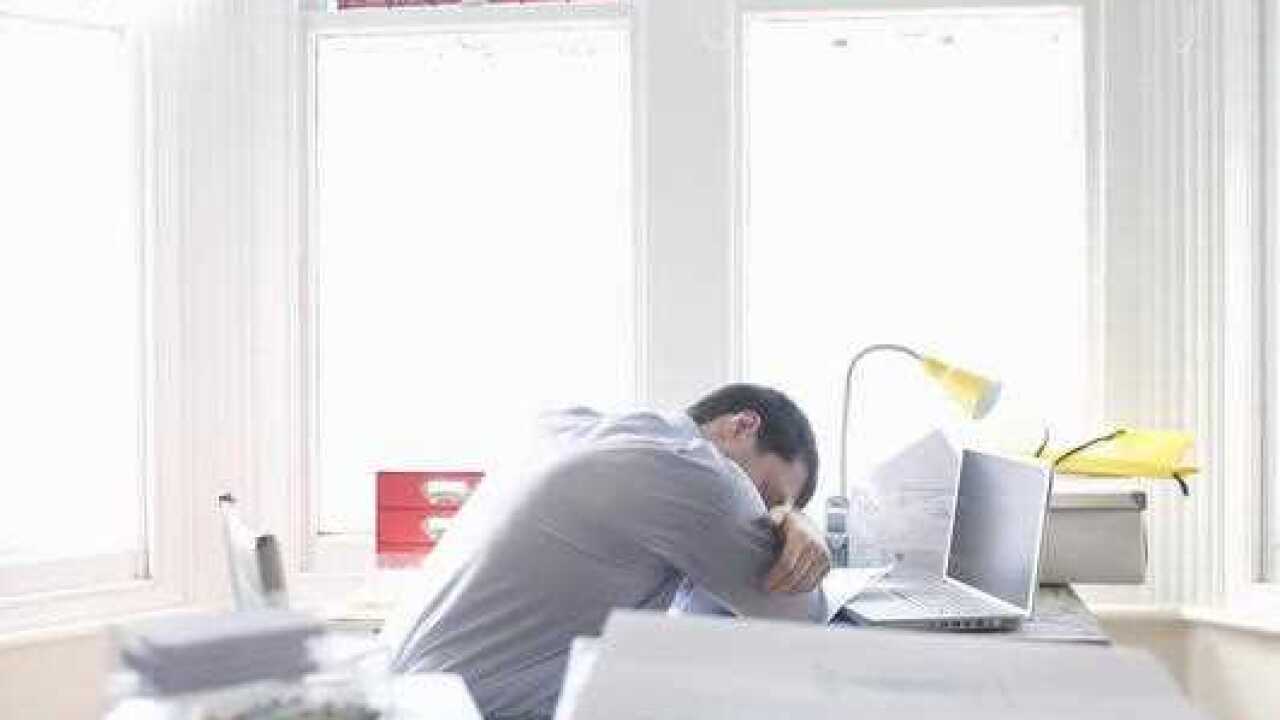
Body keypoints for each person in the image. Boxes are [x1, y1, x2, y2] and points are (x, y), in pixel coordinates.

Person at [383, 383, 832, 720]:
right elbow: (800, 616)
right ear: (743, 425)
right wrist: (798, 521)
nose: (764, 515)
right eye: (769, 493)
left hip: (400, 697)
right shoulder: (694, 468)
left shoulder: (569, 427)